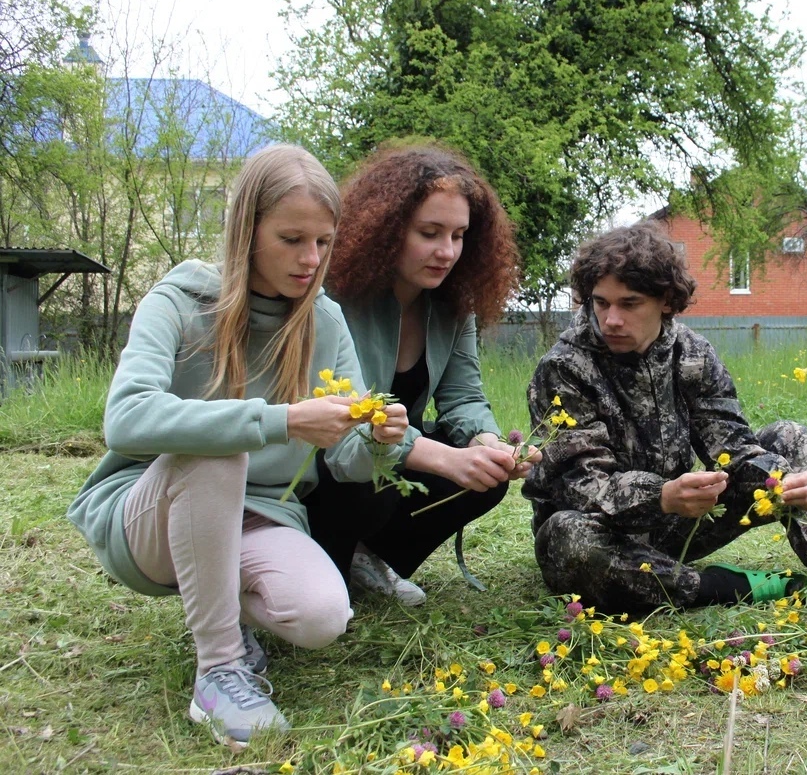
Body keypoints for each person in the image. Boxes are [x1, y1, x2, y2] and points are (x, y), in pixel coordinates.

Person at [66, 144, 409, 748]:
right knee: (219, 446)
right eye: (291, 239)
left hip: (261, 516)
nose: (311, 260)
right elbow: (124, 419)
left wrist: (380, 441)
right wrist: (281, 420)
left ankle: (218, 613)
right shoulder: (179, 299)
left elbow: (348, 459)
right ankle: (218, 670)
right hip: (149, 512)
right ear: (245, 231)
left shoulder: (323, 321)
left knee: (322, 616)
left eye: (324, 242)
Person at [522, 222, 807, 632]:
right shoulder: (563, 368)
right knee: (566, 536)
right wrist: (661, 495)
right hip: (604, 534)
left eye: (629, 304)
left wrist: (780, 481)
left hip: (685, 519)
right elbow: (580, 484)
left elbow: (731, 445)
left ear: (666, 301)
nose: (611, 319)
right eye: (601, 303)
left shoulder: (692, 353)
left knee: (790, 437)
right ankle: (718, 586)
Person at [302, 142, 533, 605]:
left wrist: (488, 443)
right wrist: (447, 459)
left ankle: (366, 557)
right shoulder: (336, 298)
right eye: (429, 232)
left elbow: (464, 396)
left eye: (459, 235)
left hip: (387, 468)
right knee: (373, 472)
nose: (446, 252)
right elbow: (352, 423)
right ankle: (320, 560)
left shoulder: (453, 304)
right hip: (323, 473)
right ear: (387, 231)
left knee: (483, 479)